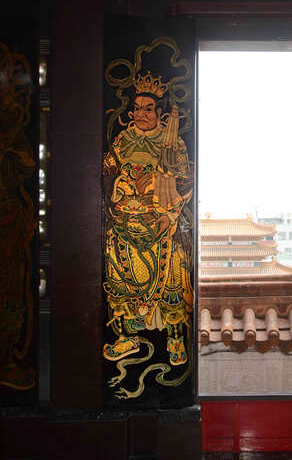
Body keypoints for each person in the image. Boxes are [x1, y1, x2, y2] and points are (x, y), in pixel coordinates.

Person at [102, 71, 193, 366]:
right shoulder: (123, 140)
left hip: (159, 222)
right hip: (124, 221)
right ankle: (126, 337)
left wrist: (162, 196)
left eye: (148, 108)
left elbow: (185, 182)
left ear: (160, 114)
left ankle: (175, 338)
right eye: (137, 108)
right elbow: (107, 172)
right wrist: (120, 184)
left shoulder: (172, 143)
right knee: (118, 275)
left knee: (171, 276)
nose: (140, 114)